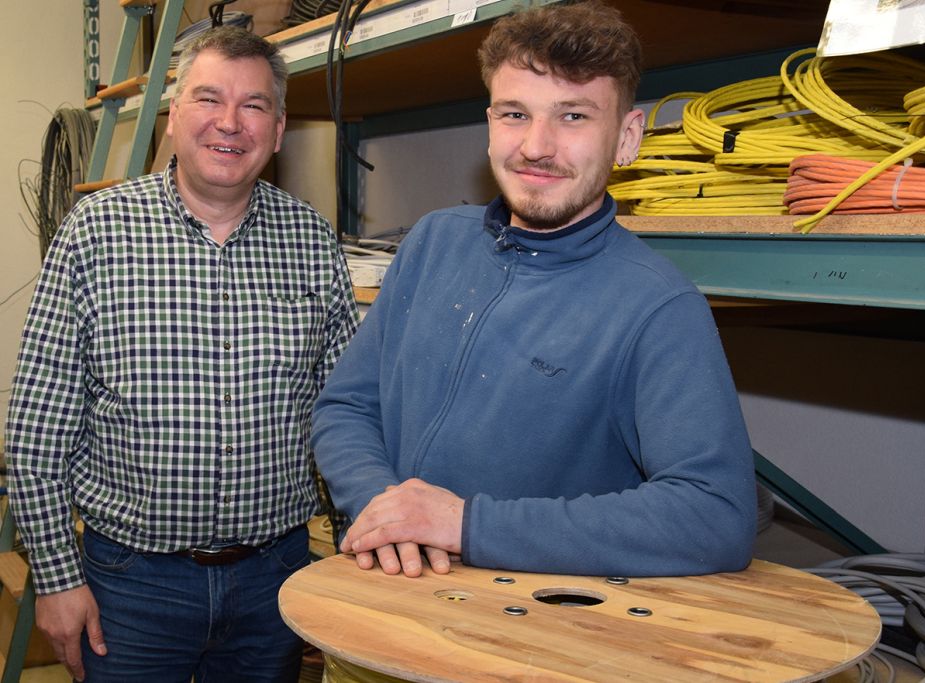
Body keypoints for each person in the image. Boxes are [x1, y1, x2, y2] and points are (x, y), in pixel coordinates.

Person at [311, 0, 755, 580]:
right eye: (515, 115)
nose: (536, 146)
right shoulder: (433, 241)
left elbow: (714, 517)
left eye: (573, 117)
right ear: (490, 123)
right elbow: (346, 406)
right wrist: (385, 505)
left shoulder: (658, 307)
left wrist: (465, 525)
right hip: (380, 597)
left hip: (520, 636)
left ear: (626, 138)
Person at [5, 26, 359, 683]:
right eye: (208, 98)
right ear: (172, 116)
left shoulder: (310, 239)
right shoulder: (97, 233)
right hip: (131, 585)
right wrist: (57, 578)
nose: (230, 122)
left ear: (277, 129)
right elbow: (36, 432)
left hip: (273, 582)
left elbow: (344, 415)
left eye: (254, 105)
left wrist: (355, 546)